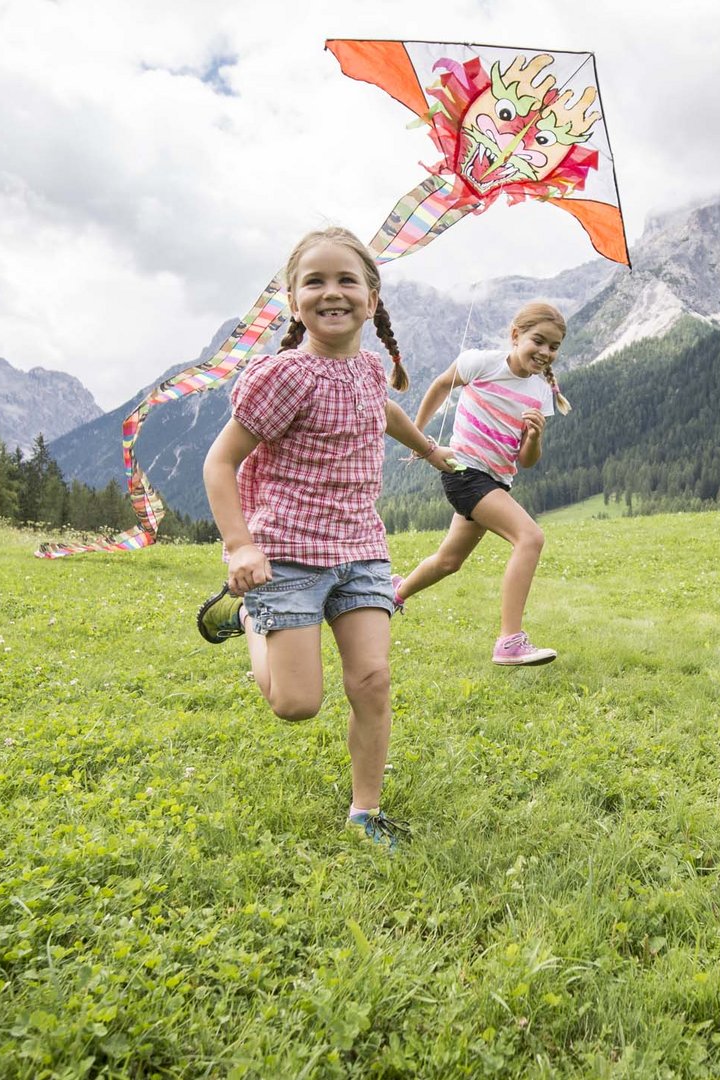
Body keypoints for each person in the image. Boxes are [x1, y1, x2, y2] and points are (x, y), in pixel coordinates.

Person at [193, 227, 458, 848]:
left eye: (347, 280)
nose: (331, 292)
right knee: (296, 704)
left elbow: (384, 410)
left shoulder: (368, 369)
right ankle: (254, 621)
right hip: (285, 553)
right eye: (314, 281)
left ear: (372, 297)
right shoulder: (284, 377)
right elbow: (218, 463)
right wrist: (241, 547)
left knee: (371, 679)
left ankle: (365, 811)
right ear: (292, 299)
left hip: (361, 549)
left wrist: (428, 448)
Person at [392, 301, 571, 666]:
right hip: (464, 473)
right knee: (530, 538)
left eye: (554, 347)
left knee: (448, 561)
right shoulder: (481, 363)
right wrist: (419, 438)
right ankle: (509, 642)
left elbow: (526, 461)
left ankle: (394, 593)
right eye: (539, 341)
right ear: (516, 335)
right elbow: (441, 385)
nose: (545, 352)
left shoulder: (540, 393)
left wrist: (535, 438)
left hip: (495, 481)